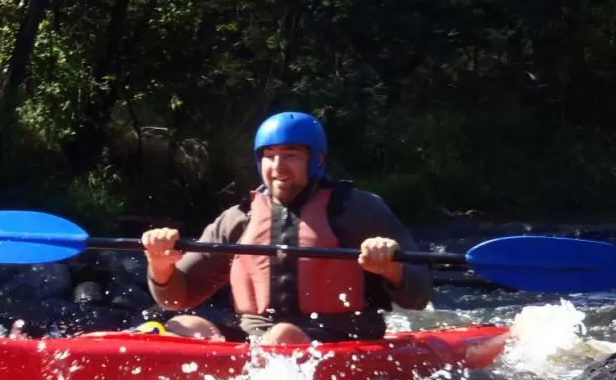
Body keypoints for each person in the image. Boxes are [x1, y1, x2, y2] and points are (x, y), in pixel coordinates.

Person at [142, 111, 432, 344]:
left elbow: (419, 296)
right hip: (257, 340)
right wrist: (160, 266)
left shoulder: (359, 210)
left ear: (317, 159)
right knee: (183, 324)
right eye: (269, 155)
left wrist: (390, 267)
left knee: (284, 334)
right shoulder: (238, 218)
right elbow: (176, 299)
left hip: (342, 338)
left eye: (291, 155)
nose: (278, 165)